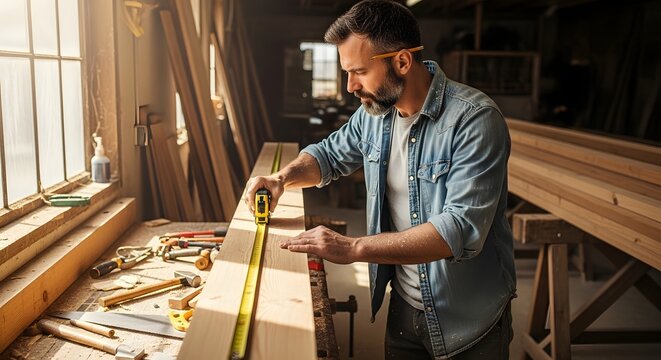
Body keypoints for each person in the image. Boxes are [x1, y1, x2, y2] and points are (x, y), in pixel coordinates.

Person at [244, 1, 516, 358]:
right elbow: (328, 155)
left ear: (402, 61)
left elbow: (458, 230)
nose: (350, 86)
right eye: (346, 72)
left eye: (358, 72)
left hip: (467, 318)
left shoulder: (474, 120)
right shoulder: (375, 114)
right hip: (403, 305)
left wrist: (354, 248)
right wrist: (282, 178)